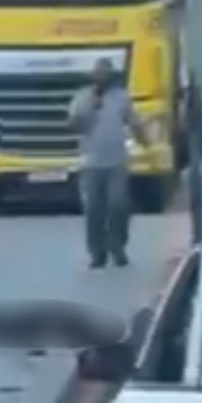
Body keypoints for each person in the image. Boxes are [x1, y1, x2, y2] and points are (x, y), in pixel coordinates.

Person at [68, 59, 149, 269]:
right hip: (91, 162)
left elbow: (133, 122)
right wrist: (90, 108)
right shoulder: (82, 97)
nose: (101, 78)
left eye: (105, 74)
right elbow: (74, 124)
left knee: (118, 205)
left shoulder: (121, 97)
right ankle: (97, 253)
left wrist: (144, 140)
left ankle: (117, 246)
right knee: (93, 209)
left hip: (116, 162)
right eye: (98, 73)